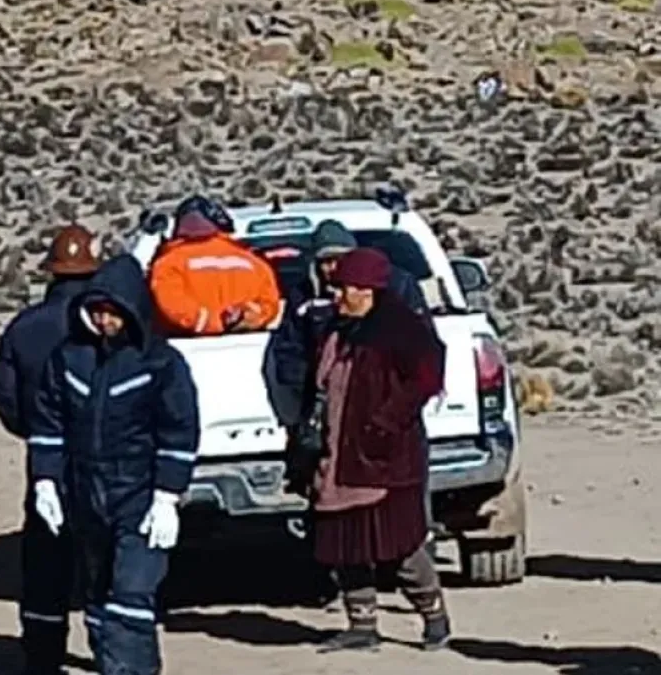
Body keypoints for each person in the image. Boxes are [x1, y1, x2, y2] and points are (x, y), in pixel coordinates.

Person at [27, 254, 200, 675]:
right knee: (98, 590)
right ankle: (111, 663)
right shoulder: (70, 359)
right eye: (98, 311)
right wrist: (46, 480)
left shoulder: (160, 363)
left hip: (138, 491)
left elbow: (179, 429)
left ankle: (133, 670)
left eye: (113, 312)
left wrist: (167, 496)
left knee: (132, 590)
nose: (105, 320)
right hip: (85, 491)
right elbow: (48, 420)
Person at [308, 248, 450, 652]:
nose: (339, 296)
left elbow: (425, 379)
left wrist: (385, 423)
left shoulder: (403, 331)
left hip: (385, 459)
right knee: (346, 545)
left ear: (369, 289)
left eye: (346, 288)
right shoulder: (340, 331)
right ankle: (361, 624)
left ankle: (433, 615)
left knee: (400, 546)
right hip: (338, 457)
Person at [0, 224, 101, 675]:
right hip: (106, 460)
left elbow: (5, 398)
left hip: (46, 459)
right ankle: (111, 648)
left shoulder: (24, 328)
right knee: (105, 558)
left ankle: (43, 653)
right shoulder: (111, 323)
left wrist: (36, 431)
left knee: (46, 559)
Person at [149, 195, 281, 336]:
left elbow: (172, 305)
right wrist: (246, 317)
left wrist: (212, 322)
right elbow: (269, 305)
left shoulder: (167, 264)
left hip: (188, 349)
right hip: (253, 347)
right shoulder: (255, 263)